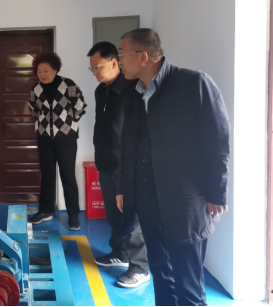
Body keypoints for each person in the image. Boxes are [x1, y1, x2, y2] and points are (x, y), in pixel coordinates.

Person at [117, 28, 230, 306]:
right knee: (160, 272)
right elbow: (128, 146)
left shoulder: (194, 84)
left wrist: (217, 192)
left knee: (188, 284)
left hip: (185, 202)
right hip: (147, 200)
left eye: (122, 54)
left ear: (143, 56)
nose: (119, 61)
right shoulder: (132, 94)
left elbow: (218, 141)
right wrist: (123, 188)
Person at [88, 42, 150, 288]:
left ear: (114, 62)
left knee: (131, 216)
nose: (95, 72)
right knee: (113, 213)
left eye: (98, 67)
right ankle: (120, 253)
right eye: (92, 68)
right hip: (105, 161)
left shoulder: (132, 90)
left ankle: (140, 268)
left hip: (126, 165)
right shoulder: (100, 91)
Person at [28, 52, 87, 231]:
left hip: (66, 140)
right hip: (44, 139)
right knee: (47, 176)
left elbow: (80, 107)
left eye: (46, 70)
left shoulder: (68, 85)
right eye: (39, 71)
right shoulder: (36, 89)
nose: (42, 74)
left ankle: (73, 215)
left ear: (55, 69)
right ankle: (45, 211)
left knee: (68, 177)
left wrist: (67, 124)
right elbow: (34, 109)